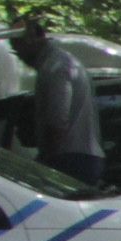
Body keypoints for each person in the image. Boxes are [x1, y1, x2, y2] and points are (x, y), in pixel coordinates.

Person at [16, 20, 99, 186]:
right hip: (81, 156)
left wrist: (45, 161)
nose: (19, 55)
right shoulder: (61, 62)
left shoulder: (55, 67)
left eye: (18, 47)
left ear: (32, 39)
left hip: (71, 160)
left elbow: (57, 121)